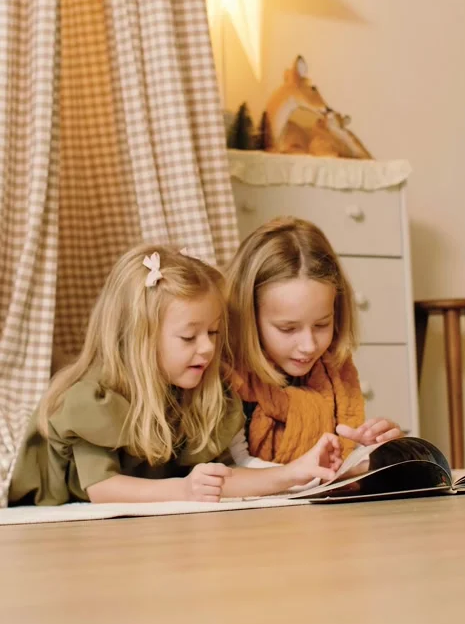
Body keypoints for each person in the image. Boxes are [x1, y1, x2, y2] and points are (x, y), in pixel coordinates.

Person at [9, 244, 342, 506]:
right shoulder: (97, 398)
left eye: (213, 333)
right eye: (188, 337)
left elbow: (220, 479)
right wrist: (183, 489)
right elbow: (103, 487)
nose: (208, 349)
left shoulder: (203, 393)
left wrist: (295, 473)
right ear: (140, 338)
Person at [225, 217, 402, 464]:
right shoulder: (228, 380)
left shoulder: (333, 372)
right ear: (248, 318)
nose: (309, 346)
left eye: (322, 325)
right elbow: (230, 471)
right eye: (287, 329)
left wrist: (375, 452)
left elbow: (342, 463)